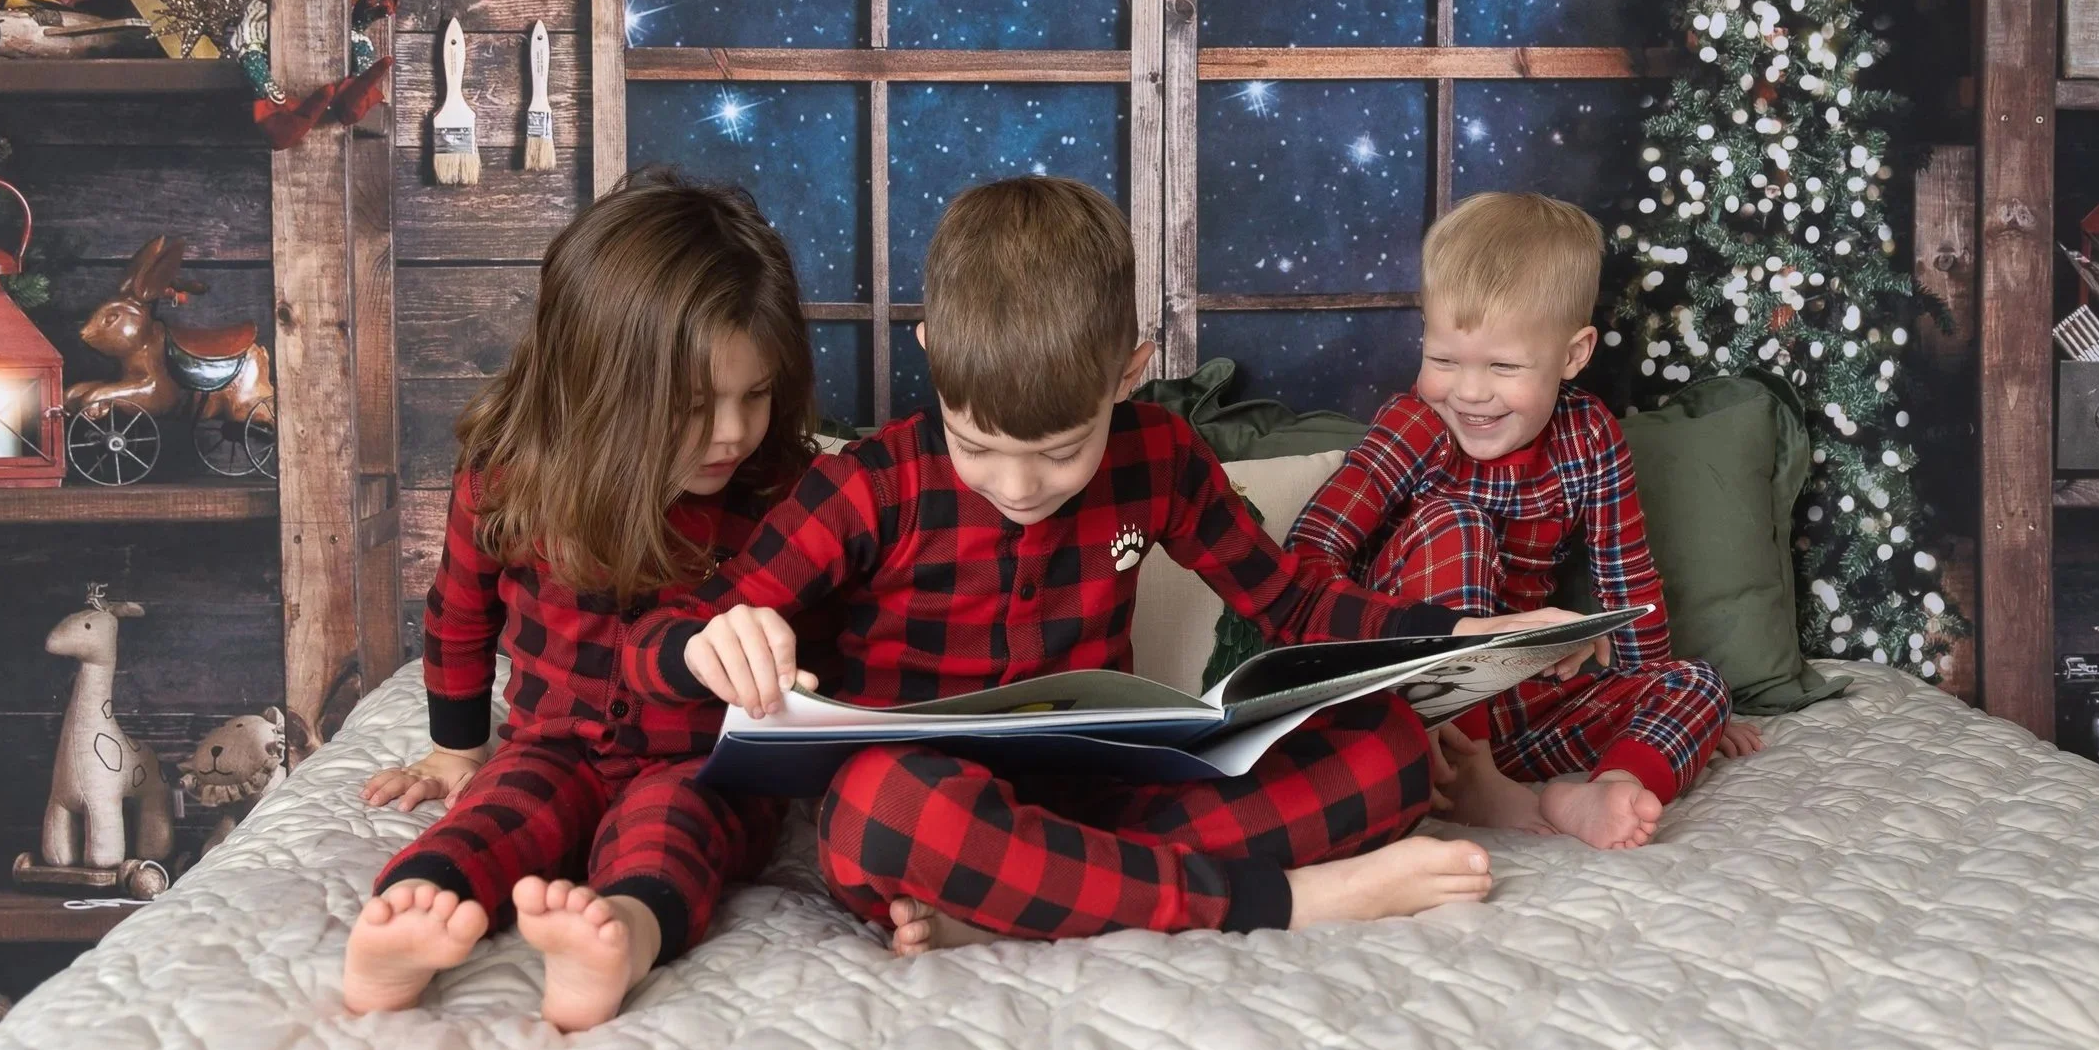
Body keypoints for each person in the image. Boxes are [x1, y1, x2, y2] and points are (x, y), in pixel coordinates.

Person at [621, 176, 1586, 956]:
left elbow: (1292, 601)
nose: (1019, 484)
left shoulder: (1159, 454)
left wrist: (1465, 635)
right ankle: (1282, 900)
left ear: (1127, 372)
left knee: (1388, 750)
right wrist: (713, 642)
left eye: (1060, 449)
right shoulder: (870, 483)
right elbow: (656, 643)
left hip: (1107, 794)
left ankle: (1027, 902)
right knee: (878, 815)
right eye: (979, 444)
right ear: (934, 354)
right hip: (936, 799)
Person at [341, 172, 815, 1027]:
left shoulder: (782, 493)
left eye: (757, 394)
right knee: (499, 809)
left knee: (676, 828)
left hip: (703, 762)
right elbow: (459, 611)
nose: (735, 432)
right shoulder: (511, 477)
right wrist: (454, 748)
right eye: (697, 406)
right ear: (602, 388)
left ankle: (619, 939)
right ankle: (410, 912)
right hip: (550, 742)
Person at [1288, 191, 1756, 854]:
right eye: (1444, 359)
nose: (1469, 391)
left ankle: (1606, 787)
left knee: (1699, 682)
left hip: (1522, 699)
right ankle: (1469, 772)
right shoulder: (1414, 426)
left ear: (1572, 354)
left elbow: (1627, 584)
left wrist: (1658, 718)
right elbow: (1306, 553)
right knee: (1459, 522)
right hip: (1408, 703)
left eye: (1503, 367)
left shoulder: (1590, 435)